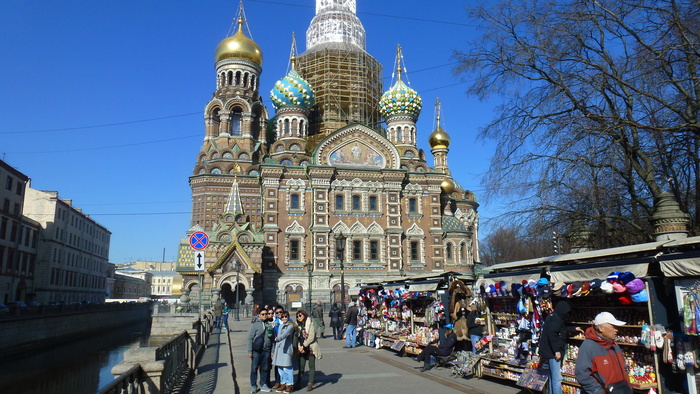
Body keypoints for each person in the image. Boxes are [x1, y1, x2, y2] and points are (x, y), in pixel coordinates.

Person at [575, 312, 632, 394]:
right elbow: (582, 374)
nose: (616, 330)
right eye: (613, 327)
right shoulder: (588, 346)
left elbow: (623, 369)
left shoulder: (614, 344)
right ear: (601, 328)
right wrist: (598, 391)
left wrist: (628, 387)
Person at [538, 301, 583, 394]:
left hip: (548, 351)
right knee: (556, 378)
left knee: (552, 377)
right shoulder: (556, 319)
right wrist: (557, 351)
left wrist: (574, 329)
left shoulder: (553, 317)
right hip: (552, 352)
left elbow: (561, 329)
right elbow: (553, 335)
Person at [248, 307, 274, 393]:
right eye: (263, 314)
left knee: (265, 368)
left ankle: (263, 384)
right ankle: (253, 385)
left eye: (266, 314)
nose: (265, 315)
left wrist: (272, 350)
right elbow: (250, 338)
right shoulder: (255, 324)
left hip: (266, 350)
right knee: (254, 368)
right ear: (259, 315)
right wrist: (249, 351)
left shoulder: (270, 324)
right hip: (256, 350)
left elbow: (272, 338)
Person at [295, 309, 322, 391]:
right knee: (301, 367)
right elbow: (296, 337)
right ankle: (298, 382)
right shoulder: (297, 325)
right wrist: (299, 347)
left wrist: (303, 345)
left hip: (310, 348)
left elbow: (311, 337)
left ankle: (310, 383)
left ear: (304, 315)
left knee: (311, 366)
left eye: (300, 315)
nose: (298, 317)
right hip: (301, 349)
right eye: (297, 316)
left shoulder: (310, 323)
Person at [272, 311, 294, 393]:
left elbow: (285, 334)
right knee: (280, 368)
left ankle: (290, 385)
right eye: (283, 317)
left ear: (288, 317)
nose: (284, 318)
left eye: (286, 317)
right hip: (279, 349)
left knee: (287, 367)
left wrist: (278, 338)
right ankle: (283, 383)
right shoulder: (280, 326)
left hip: (286, 349)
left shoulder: (290, 326)